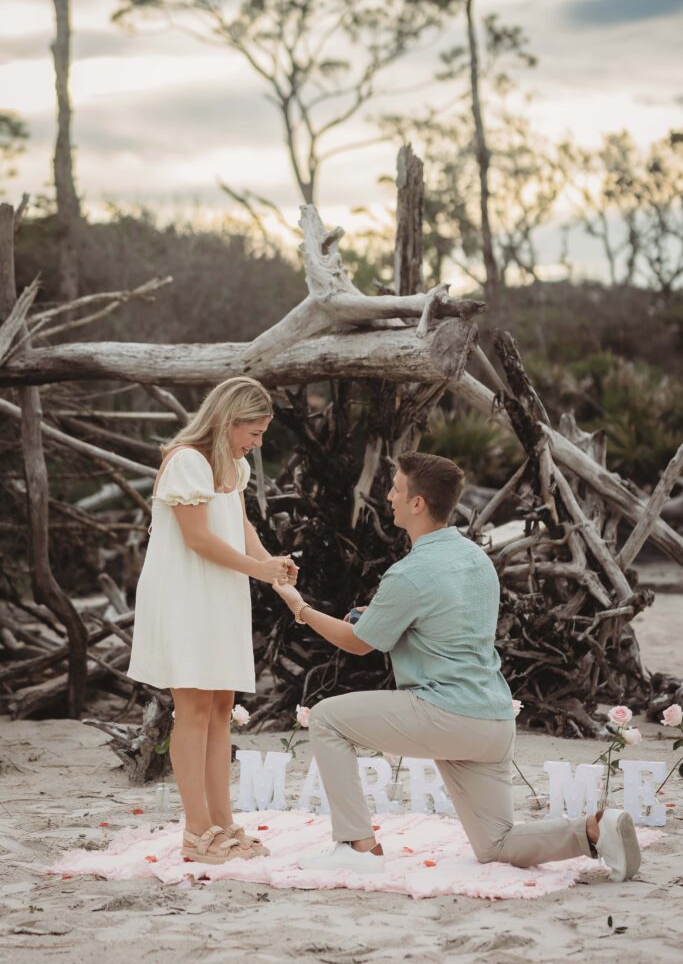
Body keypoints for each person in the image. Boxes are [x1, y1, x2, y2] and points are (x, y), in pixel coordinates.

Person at [273, 451, 641, 882]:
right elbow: (441, 621)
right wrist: (376, 616)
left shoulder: (409, 573)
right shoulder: (476, 559)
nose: (388, 495)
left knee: (327, 719)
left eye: (396, 487)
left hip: (445, 714)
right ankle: (594, 830)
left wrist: (301, 609)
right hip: (493, 721)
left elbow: (357, 644)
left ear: (417, 503)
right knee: (495, 844)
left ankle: (358, 847)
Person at [128, 376, 297, 865]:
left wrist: (274, 570)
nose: (257, 443)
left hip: (220, 592)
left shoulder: (233, 465)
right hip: (187, 593)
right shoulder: (186, 461)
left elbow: (240, 526)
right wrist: (258, 570)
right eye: (254, 431)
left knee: (222, 705)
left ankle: (223, 823)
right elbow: (198, 539)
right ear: (228, 420)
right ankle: (196, 831)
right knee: (195, 707)